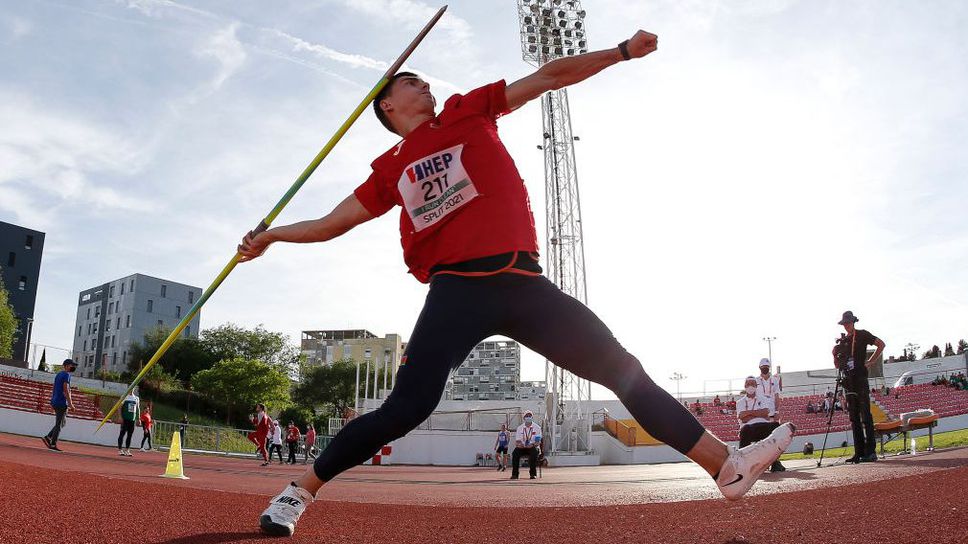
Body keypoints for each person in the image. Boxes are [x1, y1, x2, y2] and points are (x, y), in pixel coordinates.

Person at [242, 30, 794, 536]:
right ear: (387, 105)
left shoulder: (466, 111)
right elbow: (335, 222)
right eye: (411, 80)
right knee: (404, 409)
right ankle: (298, 492)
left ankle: (725, 465)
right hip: (458, 290)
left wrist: (619, 53)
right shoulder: (390, 166)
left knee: (624, 370)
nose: (426, 81)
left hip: (525, 286)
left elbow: (548, 77)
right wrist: (272, 237)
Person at [833, 310, 885, 464]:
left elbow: (881, 344)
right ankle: (859, 452)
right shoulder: (843, 342)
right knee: (854, 417)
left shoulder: (862, 334)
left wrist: (871, 361)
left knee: (865, 414)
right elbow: (838, 363)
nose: (846, 326)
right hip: (848, 379)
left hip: (860, 377)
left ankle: (870, 451)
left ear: (853, 322)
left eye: (848, 322)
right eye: (844, 323)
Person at [737, 376, 785, 472]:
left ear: (756, 386)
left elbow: (765, 413)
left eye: (752, 384)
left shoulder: (763, 399)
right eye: (748, 384)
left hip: (763, 426)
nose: (750, 386)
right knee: (745, 430)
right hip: (748, 428)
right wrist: (758, 413)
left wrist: (749, 413)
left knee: (775, 426)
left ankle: (775, 462)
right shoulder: (740, 402)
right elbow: (742, 416)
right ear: (745, 386)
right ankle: (743, 465)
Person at [754, 358, 784, 472]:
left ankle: (775, 462)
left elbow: (777, 397)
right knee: (762, 440)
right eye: (763, 367)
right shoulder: (755, 381)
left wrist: (777, 412)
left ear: (769, 368)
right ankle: (763, 463)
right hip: (761, 415)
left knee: (775, 439)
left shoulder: (775, 380)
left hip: (772, 414)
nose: (764, 369)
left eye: (766, 367)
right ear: (759, 368)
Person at [42, 359, 76, 451]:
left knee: (62, 423)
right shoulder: (66, 375)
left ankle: (49, 437)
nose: (73, 367)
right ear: (66, 366)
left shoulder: (59, 374)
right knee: (59, 424)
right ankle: (52, 444)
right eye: (72, 365)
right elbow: (66, 390)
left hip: (56, 401)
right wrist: (71, 404)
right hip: (61, 402)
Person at [511, 411, 541, 480]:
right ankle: (515, 474)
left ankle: (533, 474)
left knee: (534, 453)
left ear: (532, 417)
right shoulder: (520, 428)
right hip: (522, 447)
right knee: (515, 453)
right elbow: (517, 441)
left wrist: (532, 444)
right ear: (524, 418)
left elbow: (538, 441)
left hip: (532, 446)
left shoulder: (537, 428)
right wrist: (520, 444)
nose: (528, 417)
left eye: (529, 416)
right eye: (526, 416)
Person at [118, 391, 140, 456]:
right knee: (122, 434)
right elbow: (119, 407)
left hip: (132, 420)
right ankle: (120, 450)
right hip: (125, 419)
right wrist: (120, 417)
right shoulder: (124, 396)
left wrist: (138, 418)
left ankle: (127, 450)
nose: (132, 389)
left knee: (130, 435)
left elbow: (138, 408)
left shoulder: (136, 398)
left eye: (133, 387)